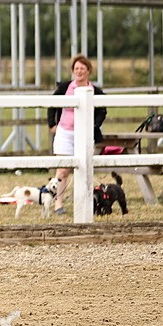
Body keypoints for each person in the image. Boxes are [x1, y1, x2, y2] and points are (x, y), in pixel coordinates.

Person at [45, 54, 107, 213]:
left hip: (84, 134)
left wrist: (94, 125)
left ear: (88, 71)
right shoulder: (65, 88)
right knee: (63, 170)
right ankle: (58, 203)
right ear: (73, 71)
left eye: (82, 68)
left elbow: (102, 111)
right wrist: (52, 124)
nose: (79, 71)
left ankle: (85, 202)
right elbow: (52, 105)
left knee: (84, 169)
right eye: (76, 68)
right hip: (65, 132)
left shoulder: (96, 91)